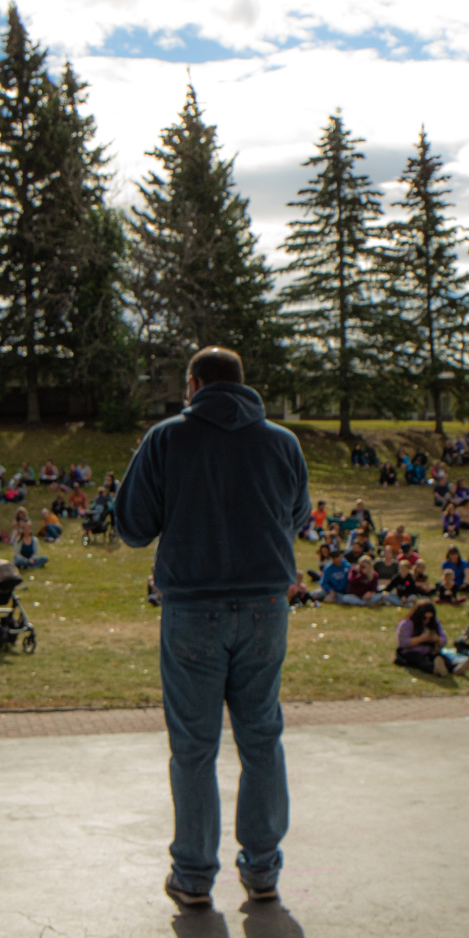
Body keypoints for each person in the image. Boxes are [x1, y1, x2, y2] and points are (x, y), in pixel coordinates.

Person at [113, 346, 309, 909]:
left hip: (193, 608)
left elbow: (132, 527)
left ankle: (195, 876)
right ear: (243, 386)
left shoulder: (168, 438)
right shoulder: (282, 442)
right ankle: (264, 870)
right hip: (266, 606)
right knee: (261, 737)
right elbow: (295, 517)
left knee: (194, 747)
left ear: (194, 385)